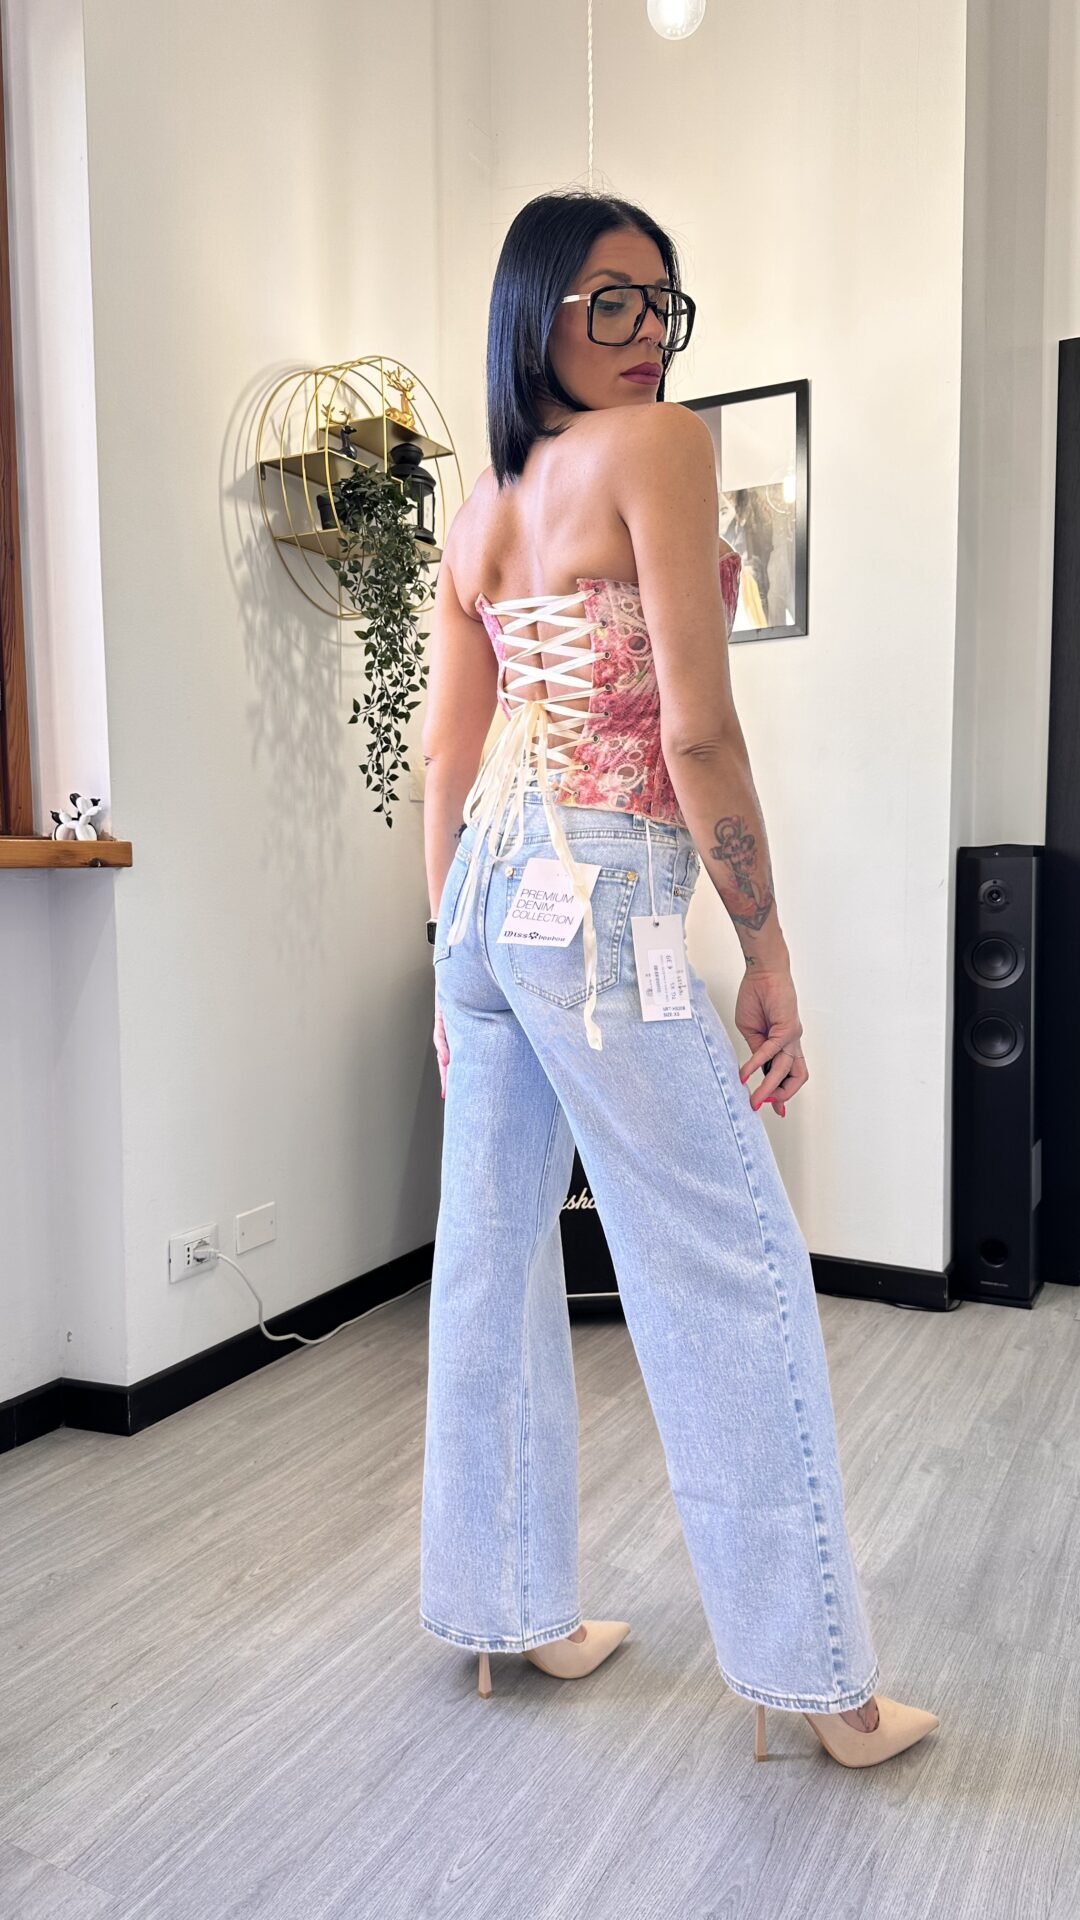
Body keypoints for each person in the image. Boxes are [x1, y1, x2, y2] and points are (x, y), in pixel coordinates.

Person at [417, 188, 939, 1770]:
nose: (648, 335)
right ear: (537, 312)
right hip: (597, 890)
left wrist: (448, 967)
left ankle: (504, 1612)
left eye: (664, 304)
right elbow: (696, 734)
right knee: (732, 1258)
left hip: (489, 890)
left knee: (491, 1257)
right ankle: (818, 1683)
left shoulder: (482, 505)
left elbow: (447, 757)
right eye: (612, 300)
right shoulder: (660, 449)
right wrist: (767, 949)